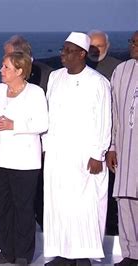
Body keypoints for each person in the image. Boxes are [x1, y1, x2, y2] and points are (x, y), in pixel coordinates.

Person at [42, 32, 111, 266]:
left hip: (84, 155)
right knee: (58, 205)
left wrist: (97, 154)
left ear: (82, 54)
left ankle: (83, 256)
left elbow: (103, 120)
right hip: (57, 155)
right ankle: (62, 253)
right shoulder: (55, 77)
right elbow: (49, 113)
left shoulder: (98, 82)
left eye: (68, 51)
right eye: (62, 49)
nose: (63, 54)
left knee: (84, 207)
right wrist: (45, 147)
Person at [0, 51, 48, 265]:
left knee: (23, 207)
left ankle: (23, 254)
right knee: (2, 207)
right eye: (2, 66)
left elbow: (42, 123)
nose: (1, 71)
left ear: (20, 71)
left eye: (6, 67)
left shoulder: (35, 93)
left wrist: (14, 125)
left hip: (24, 162)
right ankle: (6, 251)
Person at [3, 35, 53, 230]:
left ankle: (41, 228)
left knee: (38, 191)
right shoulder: (2, 84)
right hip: (13, 148)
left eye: (8, 56)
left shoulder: (47, 74)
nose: (4, 62)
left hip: (39, 145)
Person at [106, 31, 138, 266]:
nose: (133, 46)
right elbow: (115, 113)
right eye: (132, 42)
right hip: (125, 152)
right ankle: (131, 254)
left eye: (137, 42)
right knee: (125, 201)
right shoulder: (122, 70)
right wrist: (112, 146)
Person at [87, 30, 122, 237]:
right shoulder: (79, 69)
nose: (94, 50)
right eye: (91, 46)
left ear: (107, 47)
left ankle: (112, 226)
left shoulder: (117, 68)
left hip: (112, 137)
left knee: (111, 187)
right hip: (86, 139)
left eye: (98, 46)